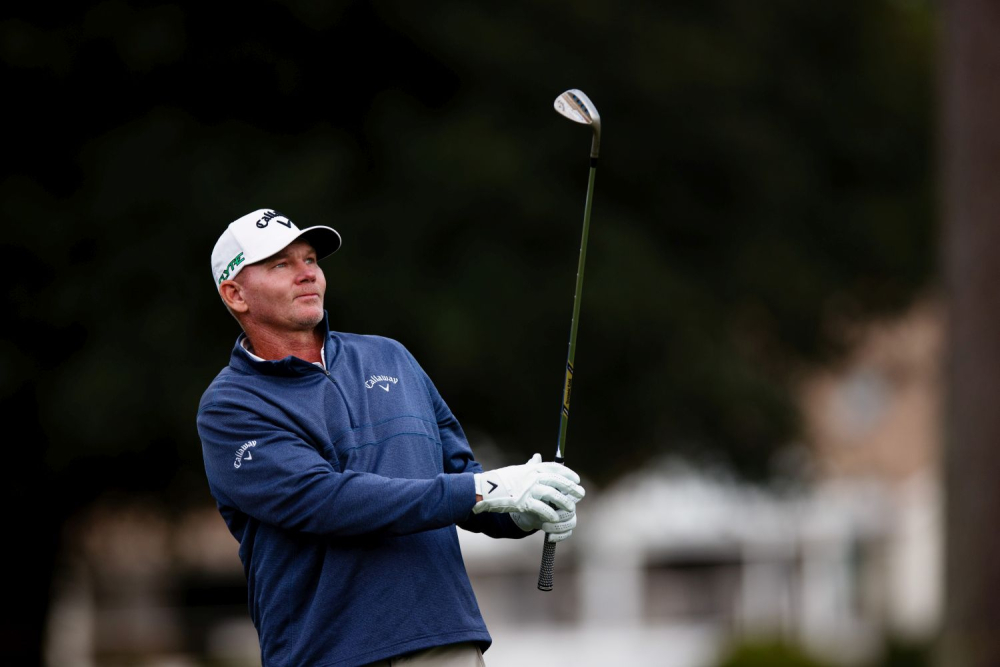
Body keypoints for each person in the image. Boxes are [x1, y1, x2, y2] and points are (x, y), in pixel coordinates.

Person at [196, 208, 586, 667]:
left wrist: (526, 509)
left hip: (443, 637)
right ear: (235, 294)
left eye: (310, 260)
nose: (307, 274)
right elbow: (326, 500)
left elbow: (465, 481)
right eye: (281, 265)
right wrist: (484, 490)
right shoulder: (231, 406)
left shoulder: (390, 356)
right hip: (325, 651)